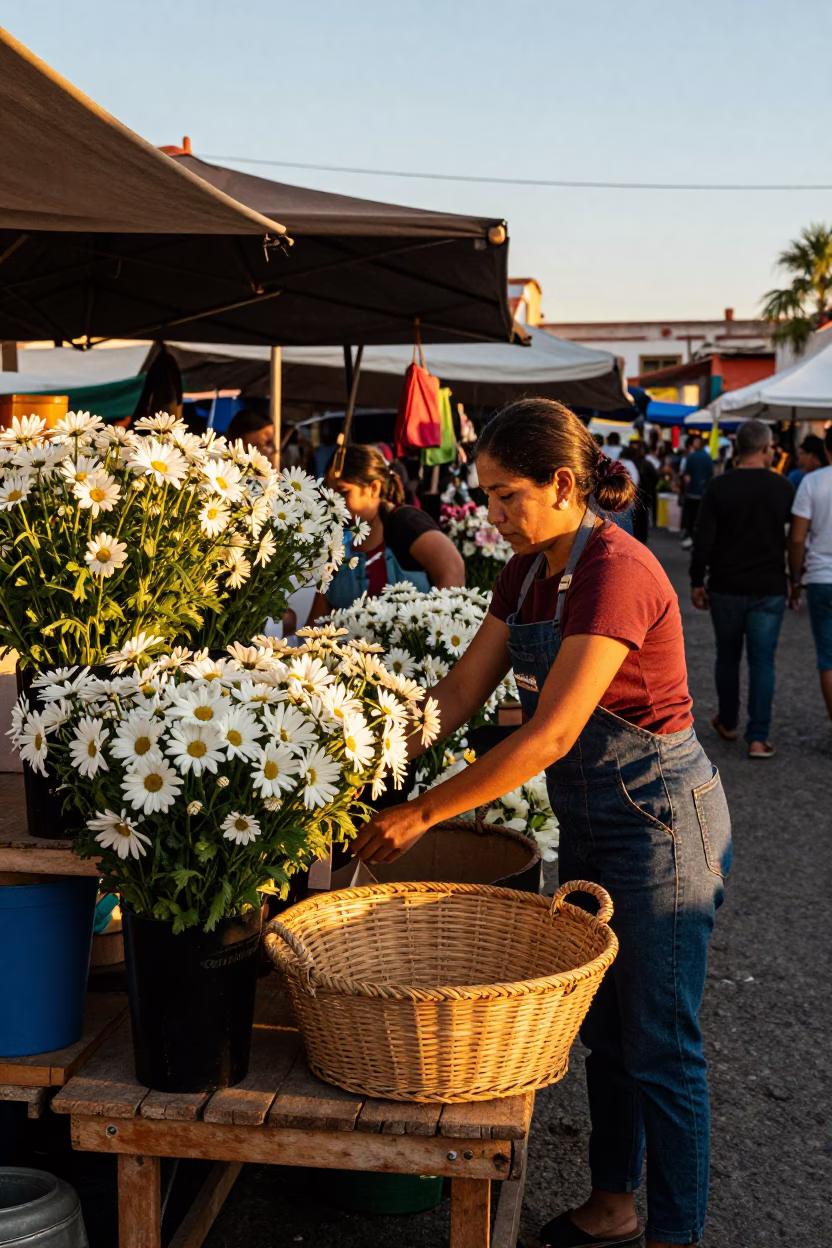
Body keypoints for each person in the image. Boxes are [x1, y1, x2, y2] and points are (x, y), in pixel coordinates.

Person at [352, 399, 731, 1248]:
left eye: (506, 496)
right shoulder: (523, 572)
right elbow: (458, 695)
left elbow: (552, 732)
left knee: (663, 1045)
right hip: (595, 820)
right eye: (484, 496)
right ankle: (613, 1203)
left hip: (662, 821)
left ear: (564, 484)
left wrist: (423, 814)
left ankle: (677, 1234)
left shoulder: (618, 571)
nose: (491, 516)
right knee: (607, 1031)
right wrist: (370, 755)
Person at [690, 419, 793, 759]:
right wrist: (795, 579)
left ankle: (729, 721)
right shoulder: (782, 487)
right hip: (770, 585)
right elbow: (794, 538)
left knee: (728, 657)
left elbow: (702, 538)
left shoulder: (719, 487)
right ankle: (758, 738)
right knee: (763, 662)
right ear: (766, 448)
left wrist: (695, 580)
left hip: (726, 585)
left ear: (736, 448)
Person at [309, 444, 464, 616]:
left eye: (344, 493)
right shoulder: (337, 545)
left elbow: (453, 571)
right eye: (330, 496)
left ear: (374, 488)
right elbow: (316, 624)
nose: (335, 504)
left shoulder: (405, 523)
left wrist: (425, 631)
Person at [789, 425, 832, 722]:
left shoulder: (812, 482)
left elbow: (796, 539)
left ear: (827, 450)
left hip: (821, 577)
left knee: (828, 658)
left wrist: (795, 580)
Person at [680, 435, 713, 550]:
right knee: (701, 518)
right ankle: (698, 539)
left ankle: (690, 537)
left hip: (691, 493)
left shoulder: (690, 458)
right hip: (704, 494)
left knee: (690, 517)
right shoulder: (709, 458)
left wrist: (684, 489)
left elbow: (687, 478)